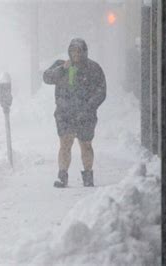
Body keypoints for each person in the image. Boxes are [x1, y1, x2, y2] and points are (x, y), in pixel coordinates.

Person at [43, 38, 106, 188]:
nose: (76, 54)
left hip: (86, 114)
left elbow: (101, 91)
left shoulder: (93, 68)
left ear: (84, 52)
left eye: (79, 51)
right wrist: (62, 69)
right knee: (65, 143)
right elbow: (46, 77)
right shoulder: (61, 66)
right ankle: (62, 176)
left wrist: (89, 106)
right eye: (73, 51)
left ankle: (88, 175)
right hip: (65, 113)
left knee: (86, 145)